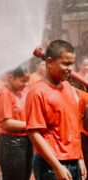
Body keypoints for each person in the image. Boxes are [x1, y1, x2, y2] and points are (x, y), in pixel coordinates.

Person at [26, 40, 87, 180]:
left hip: (73, 160)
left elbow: (73, 127)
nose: (70, 68)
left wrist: (79, 158)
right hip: (51, 165)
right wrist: (57, 166)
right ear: (49, 62)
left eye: (72, 63)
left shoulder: (67, 87)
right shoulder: (37, 92)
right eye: (65, 63)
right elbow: (34, 133)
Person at [0, 63, 33, 180]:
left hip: (25, 142)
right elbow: (6, 123)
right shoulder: (4, 93)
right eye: (22, 81)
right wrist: (32, 126)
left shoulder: (22, 92)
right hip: (11, 145)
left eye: (27, 81)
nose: (25, 85)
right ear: (10, 77)